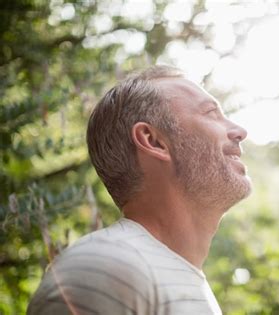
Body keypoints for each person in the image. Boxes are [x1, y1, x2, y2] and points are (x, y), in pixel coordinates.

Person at [27, 65, 252, 315]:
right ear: (154, 141)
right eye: (211, 113)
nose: (240, 131)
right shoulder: (105, 267)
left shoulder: (174, 277)